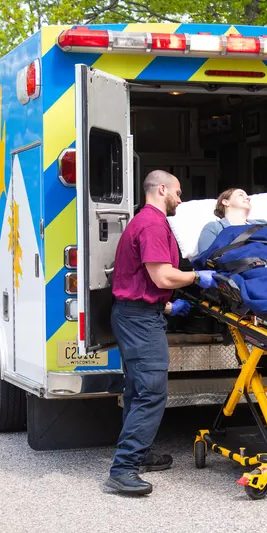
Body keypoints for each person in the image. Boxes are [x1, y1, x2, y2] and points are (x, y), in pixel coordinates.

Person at [105, 170, 216, 496]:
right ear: (162, 189)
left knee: (138, 390)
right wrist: (197, 277)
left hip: (139, 314)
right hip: (139, 321)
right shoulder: (152, 224)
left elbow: (142, 279)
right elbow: (162, 276)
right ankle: (123, 468)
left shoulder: (147, 222)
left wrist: (166, 307)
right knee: (152, 392)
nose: (180, 200)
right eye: (178, 193)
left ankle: (139, 454)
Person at [195, 188, 267, 255]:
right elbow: (206, 259)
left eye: (247, 196)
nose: (248, 198)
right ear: (226, 202)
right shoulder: (214, 227)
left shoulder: (262, 223)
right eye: (240, 195)